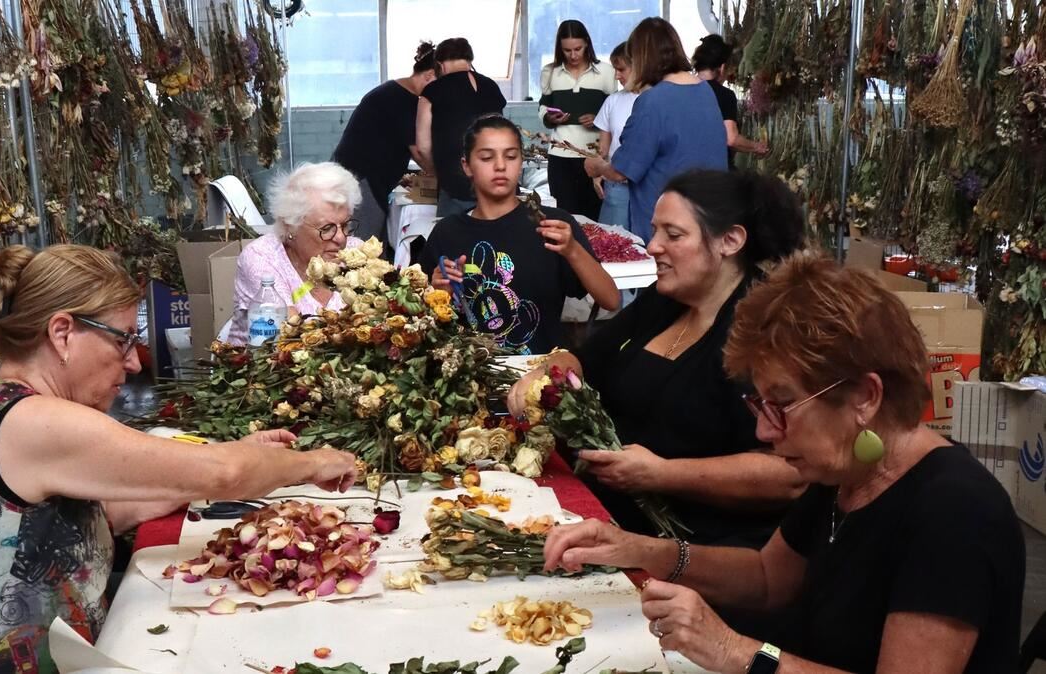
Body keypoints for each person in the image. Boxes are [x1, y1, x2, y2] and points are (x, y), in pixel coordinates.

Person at [543, 253, 1025, 674]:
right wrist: (642, 551)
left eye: (783, 403)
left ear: (865, 396)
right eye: (761, 405)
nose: (764, 431)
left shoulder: (957, 514)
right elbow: (767, 578)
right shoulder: (847, 469)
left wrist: (737, 651)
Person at [0, 244, 358, 673]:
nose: (134, 363)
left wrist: (222, 464)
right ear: (62, 333)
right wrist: (314, 462)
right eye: (123, 340)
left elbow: (86, 520)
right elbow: (226, 474)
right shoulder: (37, 421)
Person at [507, 170, 805, 547]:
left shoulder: (766, 334)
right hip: (607, 519)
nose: (652, 247)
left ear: (730, 240)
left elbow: (789, 473)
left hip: (697, 547)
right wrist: (547, 372)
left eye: (673, 234)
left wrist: (662, 474)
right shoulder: (663, 301)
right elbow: (585, 357)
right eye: (655, 230)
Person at [418, 114, 619, 355]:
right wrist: (438, 291)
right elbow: (420, 322)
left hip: (541, 377)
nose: (500, 166)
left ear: (521, 161)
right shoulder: (447, 233)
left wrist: (573, 250)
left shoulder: (552, 224)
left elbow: (611, 300)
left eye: (511, 156)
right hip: (471, 379)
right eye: (486, 157)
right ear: (467, 166)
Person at [584, 17, 726, 243]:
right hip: (707, 220)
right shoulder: (705, 91)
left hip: (668, 230)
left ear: (641, 58)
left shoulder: (653, 101)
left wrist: (596, 167)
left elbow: (622, 170)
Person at [227, 162, 365, 344]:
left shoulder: (356, 254)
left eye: (345, 225)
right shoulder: (262, 258)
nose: (341, 238)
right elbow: (290, 336)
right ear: (290, 226)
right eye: (327, 228)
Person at [332, 41, 437, 242]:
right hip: (361, 179)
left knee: (370, 246)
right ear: (429, 76)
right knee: (360, 248)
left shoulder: (396, 92)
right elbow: (420, 152)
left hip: (363, 177)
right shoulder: (404, 99)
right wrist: (445, 178)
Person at [416, 37, 507, 218]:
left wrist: (439, 172)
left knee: (453, 242)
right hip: (494, 180)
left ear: (440, 65)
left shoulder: (433, 91)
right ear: (469, 61)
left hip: (455, 185)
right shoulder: (491, 86)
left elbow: (423, 146)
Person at [539, 20, 615, 221]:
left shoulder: (606, 72)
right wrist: (549, 117)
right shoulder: (550, 72)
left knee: (595, 216)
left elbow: (615, 112)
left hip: (594, 156)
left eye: (578, 49)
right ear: (559, 49)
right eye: (567, 50)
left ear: (588, 44)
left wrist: (599, 119)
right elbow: (543, 107)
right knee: (565, 216)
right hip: (560, 156)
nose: (573, 55)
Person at [692, 34, 769, 168]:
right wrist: (756, 147)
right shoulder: (724, 95)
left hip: (683, 174)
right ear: (722, 68)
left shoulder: (682, 91)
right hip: (714, 174)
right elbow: (732, 139)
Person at [592, 41, 637, 231]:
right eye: (615, 69)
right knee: (613, 242)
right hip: (616, 186)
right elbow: (603, 146)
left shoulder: (655, 100)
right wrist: (597, 173)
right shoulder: (613, 101)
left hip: (645, 187)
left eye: (622, 69)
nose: (617, 75)